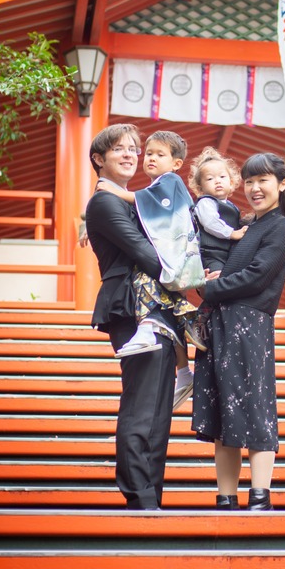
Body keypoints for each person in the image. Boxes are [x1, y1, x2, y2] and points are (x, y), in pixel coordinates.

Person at [191, 152, 285, 511]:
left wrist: (209, 287)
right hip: (220, 323)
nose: (255, 188)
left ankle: (260, 498)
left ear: (282, 184)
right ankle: (225, 499)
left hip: (249, 324)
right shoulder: (243, 225)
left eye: (263, 180)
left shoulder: (280, 226)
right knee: (222, 412)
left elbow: (257, 277)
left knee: (255, 407)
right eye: (250, 181)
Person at [84, 124, 174, 511]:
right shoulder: (105, 203)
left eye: (134, 149)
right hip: (131, 306)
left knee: (158, 408)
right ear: (98, 159)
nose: (130, 154)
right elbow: (147, 254)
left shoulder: (129, 201)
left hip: (155, 306)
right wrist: (191, 276)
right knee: (143, 402)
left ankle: (151, 497)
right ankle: (140, 496)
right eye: (119, 148)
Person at [95, 130, 205, 410]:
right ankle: (184, 371)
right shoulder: (158, 186)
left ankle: (150, 331)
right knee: (170, 312)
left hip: (174, 257)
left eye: (159, 154)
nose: (149, 158)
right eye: (149, 153)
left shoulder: (169, 182)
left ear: (176, 163)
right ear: (98, 159)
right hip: (171, 260)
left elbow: (144, 203)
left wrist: (117, 192)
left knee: (147, 283)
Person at [188, 146, 248, 273]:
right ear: (200, 188)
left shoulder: (232, 207)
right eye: (210, 178)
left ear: (231, 182)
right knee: (218, 277)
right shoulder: (205, 202)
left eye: (222, 177)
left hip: (228, 254)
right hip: (211, 254)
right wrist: (232, 233)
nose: (217, 181)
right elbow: (210, 222)